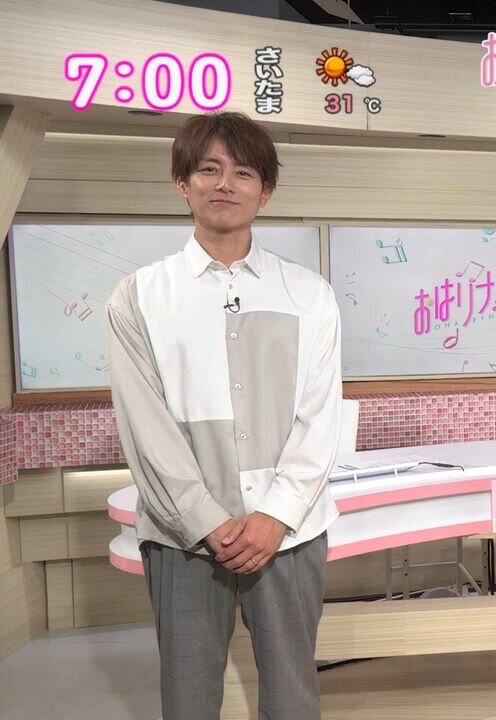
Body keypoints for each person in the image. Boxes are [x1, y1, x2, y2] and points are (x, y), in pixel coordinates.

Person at [107, 111, 341, 720]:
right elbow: (145, 428)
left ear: (266, 191)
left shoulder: (309, 293)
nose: (225, 184)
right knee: (188, 698)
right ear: (182, 183)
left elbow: (321, 417)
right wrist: (205, 520)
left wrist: (275, 515)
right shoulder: (140, 296)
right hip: (181, 538)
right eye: (208, 169)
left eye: (243, 173)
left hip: (289, 534)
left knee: (293, 695)